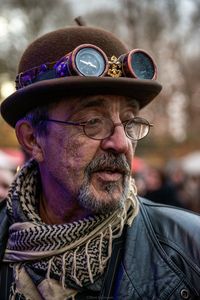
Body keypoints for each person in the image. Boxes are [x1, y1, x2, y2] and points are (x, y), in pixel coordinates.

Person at [0, 17, 200, 300]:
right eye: (92, 122)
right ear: (33, 139)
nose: (121, 143)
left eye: (129, 122)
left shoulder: (190, 250)